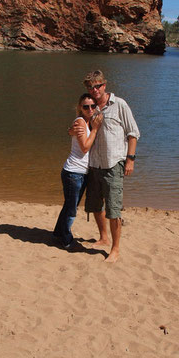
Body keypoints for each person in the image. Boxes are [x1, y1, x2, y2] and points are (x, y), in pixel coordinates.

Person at [73, 70, 140, 263]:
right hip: (94, 165)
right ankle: (103, 237)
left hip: (113, 164)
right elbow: (77, 127)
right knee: (95, 205)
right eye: (90, 87)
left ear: (105, 85)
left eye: (98, 86)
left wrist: (130, 159)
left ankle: (115, 249)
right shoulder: (90, 107)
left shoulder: (119, 105)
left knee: (113, 209)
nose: (94, 90)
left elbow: (133, 133)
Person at [53, 93, 103, 249]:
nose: (90, 109)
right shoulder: (81, 123)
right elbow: (85, 147)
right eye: (85, 106)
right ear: (80, 108)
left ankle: (58, 233)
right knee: (71, 208)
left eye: (93, 106)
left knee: (69, 205)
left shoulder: (88, 122)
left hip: (81, 173)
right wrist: (95, 130)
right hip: (73, 172)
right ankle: (66, 239)